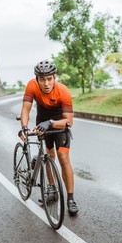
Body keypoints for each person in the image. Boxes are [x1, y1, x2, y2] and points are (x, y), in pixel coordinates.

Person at [18, 60, 78, 216]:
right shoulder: (32, 86)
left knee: (63, 157)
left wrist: (51, 122)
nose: (46, 83)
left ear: (54, 77)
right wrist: (24, 127)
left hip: (59, 123)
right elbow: (25, 109)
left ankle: (70, 199)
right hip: (42, 122)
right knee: (48, 156)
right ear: (37, 79)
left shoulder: (63, 91)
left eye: (49, 79)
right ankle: (52, 189)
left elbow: (69, 121)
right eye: (42, 79)